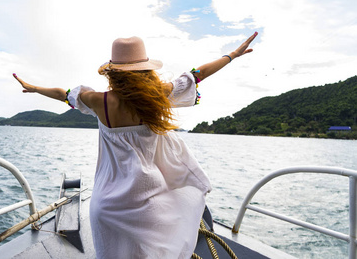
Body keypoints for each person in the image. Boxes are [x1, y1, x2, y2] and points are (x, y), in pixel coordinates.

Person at [13, 32, 258, 258]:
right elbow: (197, 74)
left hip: (107, 205)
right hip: (148, 200)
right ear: (145, 70)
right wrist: (231, 55)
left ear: (112, 72)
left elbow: (63, 93)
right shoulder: (158, 96)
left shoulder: (98, 101)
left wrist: (34, 88)